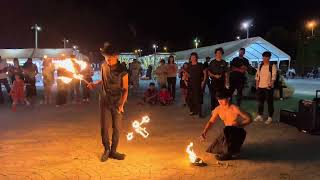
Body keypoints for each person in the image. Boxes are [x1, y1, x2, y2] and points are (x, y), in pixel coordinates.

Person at [88, 43, 128, 162]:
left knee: (116, 127)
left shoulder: (123, 70)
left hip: (117, 101)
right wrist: (95, 83)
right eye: (106, 58)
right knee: (104, 127)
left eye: (110, 58)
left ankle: (114, 151)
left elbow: (125, 88)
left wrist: (121, 104)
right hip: (104, 100)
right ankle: (106, 149)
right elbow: (103, 78)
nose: (108, 60)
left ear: (116, 56)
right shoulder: (103, 65)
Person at [201, 91, 252, 161]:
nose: (220, 101)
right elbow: (211, 121)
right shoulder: (218, 109)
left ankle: (228, 154)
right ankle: (230, 150)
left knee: (228, 129)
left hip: (237, 132)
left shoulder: (235, 108)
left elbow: (249, 118)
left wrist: (240, 124)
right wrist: (205, 131)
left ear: (228, 98)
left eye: (222, 99)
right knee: (214, 147)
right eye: (218, 99)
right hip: (227, 132)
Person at [254, 51, 277, 125]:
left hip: (268, 87)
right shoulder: (260, 65)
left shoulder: (272, 66)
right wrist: (257, 85)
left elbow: (274, 76)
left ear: (269, 58)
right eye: (264, 57)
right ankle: (260, 115)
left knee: (269, 102)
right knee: (260, 102)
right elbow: (257, 76)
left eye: (267, 57)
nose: (265, 59)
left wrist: (271, 84)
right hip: (260, 87)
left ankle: (270, 117)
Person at [185, 52, 207, 117]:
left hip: (198, 83)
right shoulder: (189, 65)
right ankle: (193, 110)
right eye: (191, 57)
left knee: (198, 98)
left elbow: (205, 73)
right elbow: (187, 74)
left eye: (194, 57)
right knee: (189, 98)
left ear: (196, 58)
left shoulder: (200, 65)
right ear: (190, 58)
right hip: (190, 84)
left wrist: (203, 82)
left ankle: (200, 113)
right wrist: (185, 80)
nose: (193, 58)